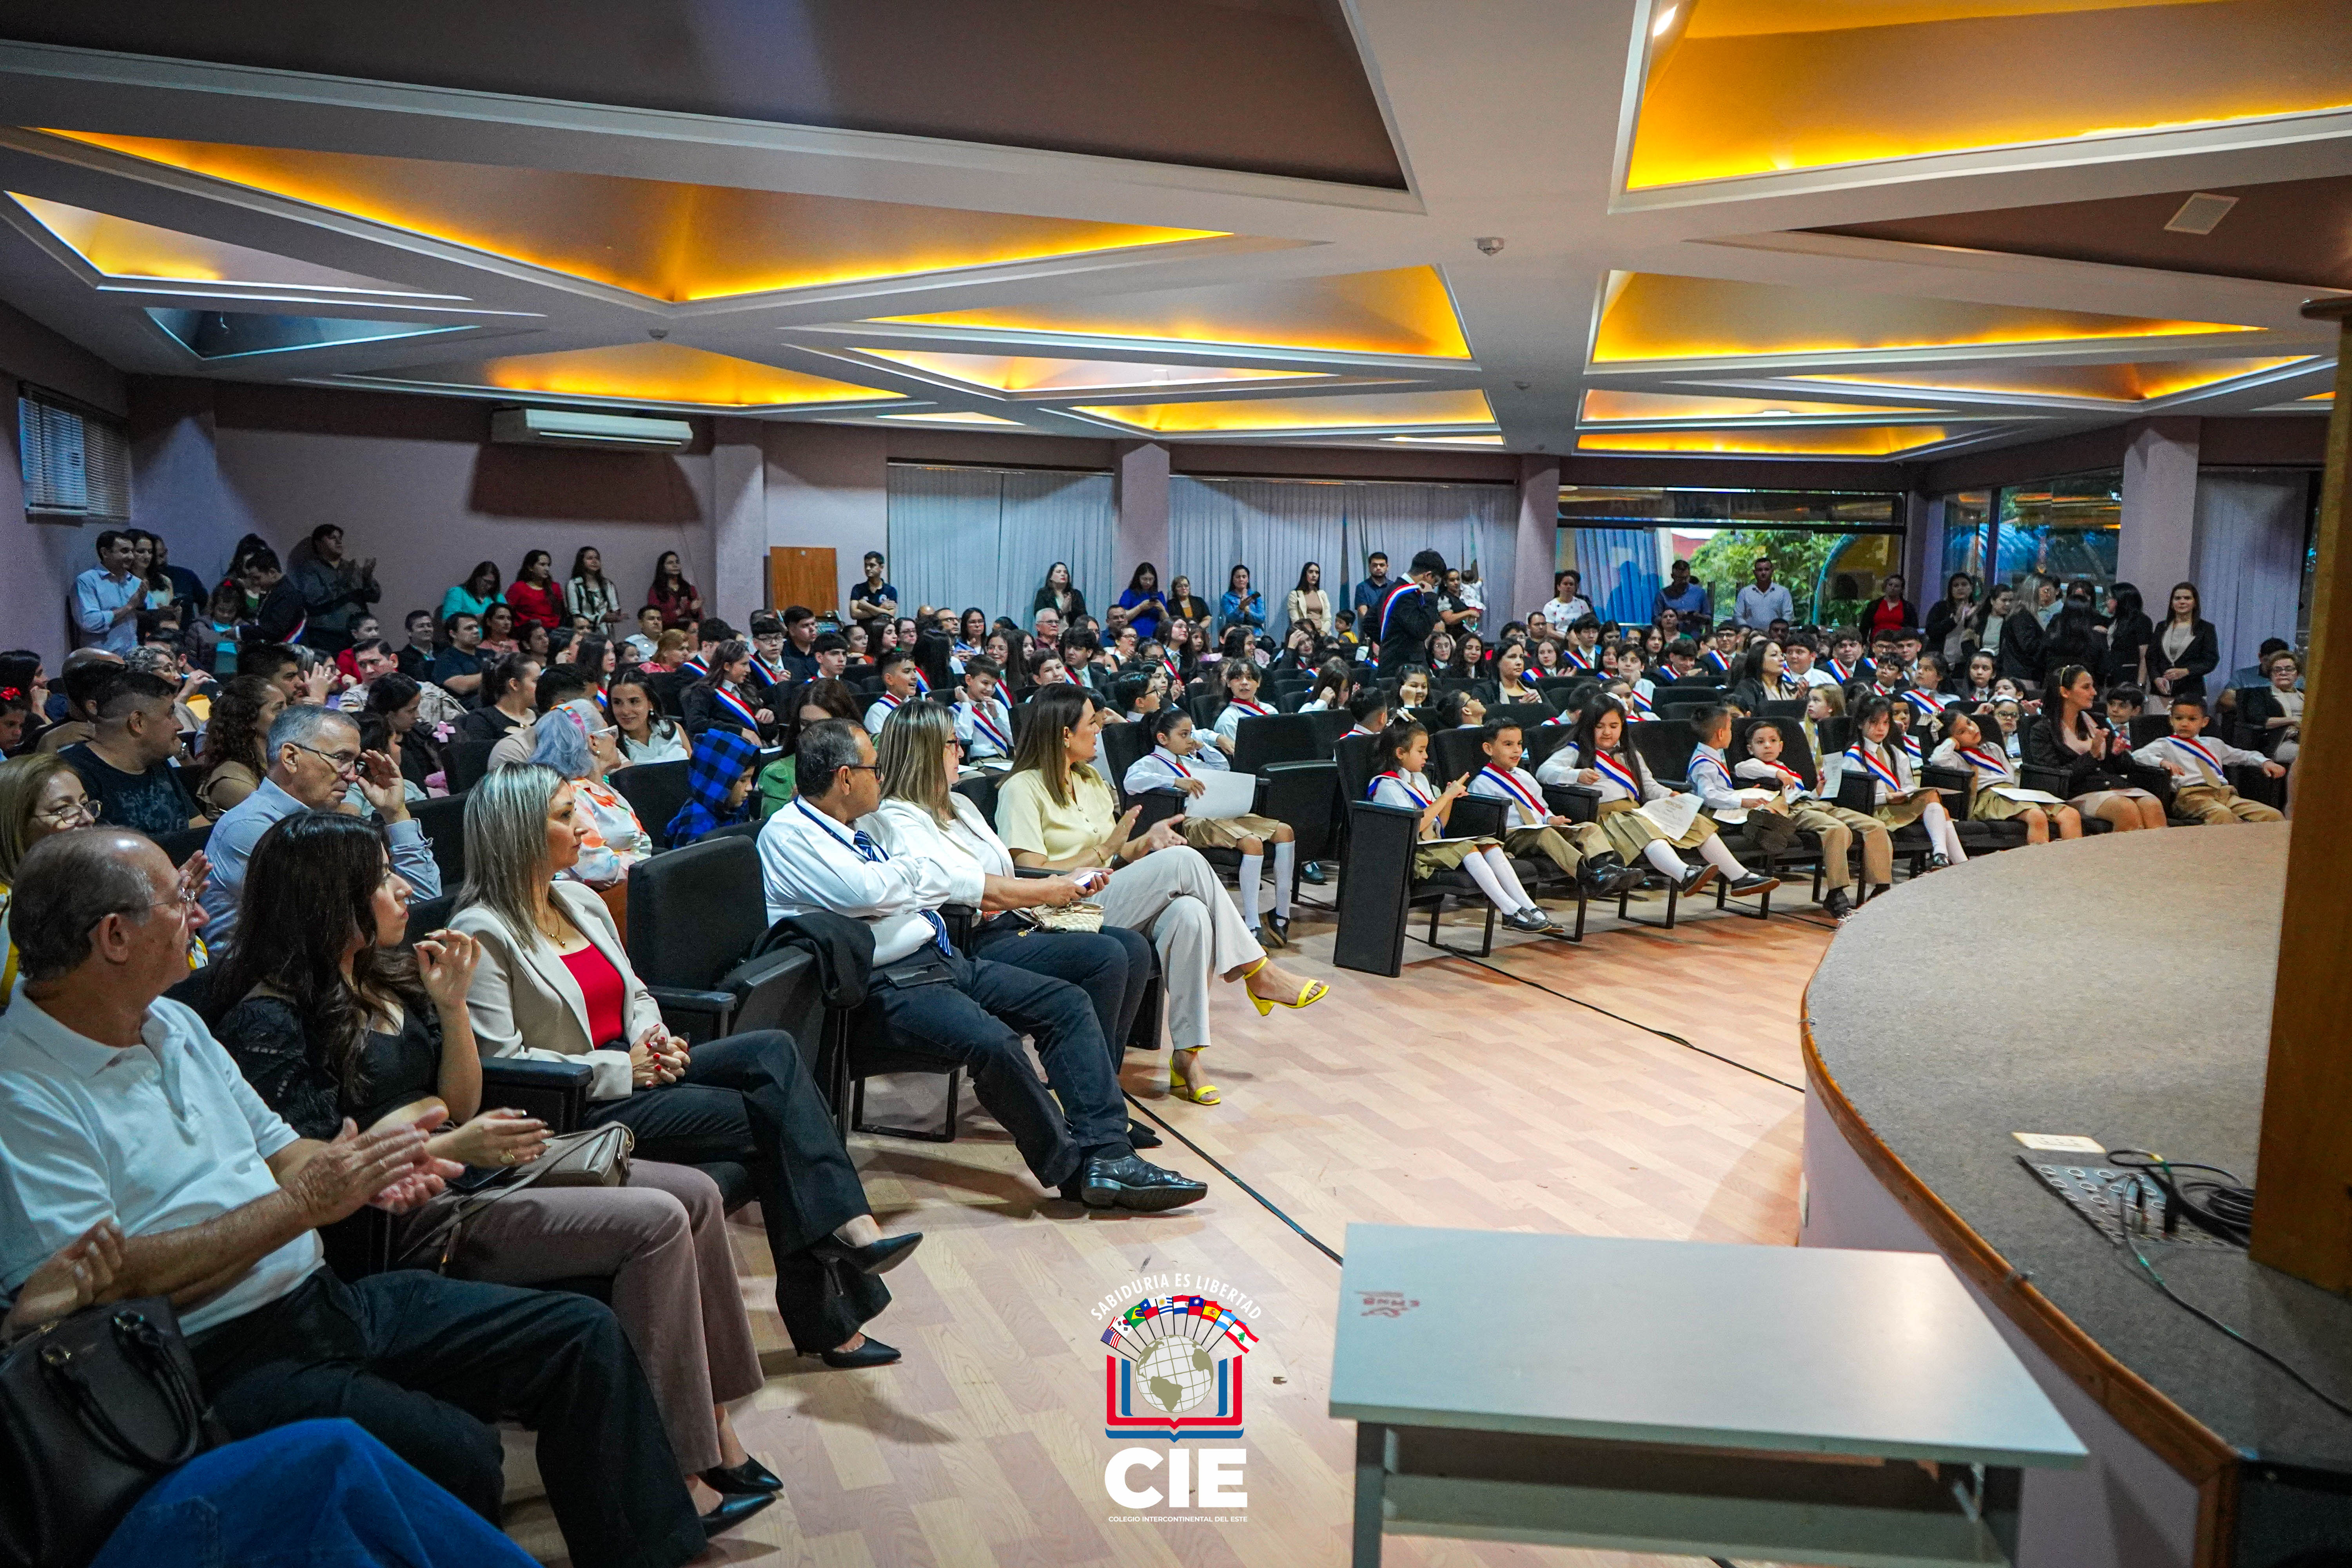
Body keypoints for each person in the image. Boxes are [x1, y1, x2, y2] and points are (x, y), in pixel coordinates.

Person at [0, 828, 716, 1568]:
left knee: (578, 1337)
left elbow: (288, 1152)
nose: (199, 914)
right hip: (207, 1361)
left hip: (318, 1298)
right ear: (114, 936)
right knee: (454, 1452)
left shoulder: (172, 1023)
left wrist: (371, 1167)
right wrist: (305, 1204)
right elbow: (107, 1285)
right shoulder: (22, 1091)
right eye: (179, 901)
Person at [209, 812, 775, 1517]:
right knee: (658, 1220)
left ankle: (713, 1424)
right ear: (331, 900)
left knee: (695, 1194)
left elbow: (455, 1103)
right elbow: (329, 1170)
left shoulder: (384, 973)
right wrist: (452, 1147)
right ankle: (677, 1467)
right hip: (406, 1218)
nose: (404, 892)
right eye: (382, 880)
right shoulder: (272, 1017)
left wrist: (450, 1012)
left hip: (467, 1173)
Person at [452, 764, 915, 1361]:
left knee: (773, 1053)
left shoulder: (576, 900)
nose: (584, 824)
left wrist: (657, 1036)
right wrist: (625, 1070)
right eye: (566, 815)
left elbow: (637, 992)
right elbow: (504, 1061)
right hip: (586, 1105)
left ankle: (850, 1241)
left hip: (642, 1069)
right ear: (518, 833)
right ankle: (839, 1284)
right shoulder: (483, 930)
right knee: (782, 1124)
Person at [768, 718, 1208, 1204]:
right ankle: (1072, 1168)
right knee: (995, 1041)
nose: (882, 775)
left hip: (938, 959)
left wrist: (918, 877)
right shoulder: (790, 835)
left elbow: (918, 884)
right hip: (884, 985)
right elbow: (870, 890)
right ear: (846, 777)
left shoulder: (847, 830)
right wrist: (925, 874)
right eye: (874, 768)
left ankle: (1109, 1153)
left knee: (1067, 1003)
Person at [995, 689, 1326, 1101]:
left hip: (1106, 893)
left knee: (1190, 913)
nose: (1101, 729)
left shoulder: (1091, 778)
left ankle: (1188, 1055)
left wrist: (1146, 840)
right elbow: (1032, 874)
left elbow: (1119, 850)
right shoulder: (1021, 789)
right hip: (1056, 909)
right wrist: (1105, 851)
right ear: (1065, 733)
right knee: (1185, 862)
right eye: (1092, 723)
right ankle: (1258, 972)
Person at [867, 702, 1159, 1118]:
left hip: (1012, 921)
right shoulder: (896, 819)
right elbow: (970, 890)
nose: (961, 752)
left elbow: (1006, 868)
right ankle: (1086, 1100)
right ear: (926, 749)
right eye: (953, 743)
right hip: (967, 940)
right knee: (1105, 956)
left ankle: (1101, 1090)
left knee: (1133, 947)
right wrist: (1048, 889)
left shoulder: (960, 805)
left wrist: (1066, 878)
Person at [201, 705, 439, 958]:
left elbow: (425, 904)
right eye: (341, 758)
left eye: (354, 763)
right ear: (291, 758)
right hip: (268, 983)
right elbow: (341, 928)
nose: (351, 776)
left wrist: (396, 813)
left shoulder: (327, 820)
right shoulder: (253, 830)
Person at [1539, 697, 1769, 896]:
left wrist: (1669, 795)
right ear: (1588, 726)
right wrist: (1576, 775)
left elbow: (1648, 786)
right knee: (1644, 827)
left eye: (1614, 726)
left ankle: (1740, 877)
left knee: (1694, 821)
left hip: (1635, 810)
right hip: (1607, 818)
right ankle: (1684, 873)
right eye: (1599, 726)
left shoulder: (1629, 753)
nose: (1607, 732)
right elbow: (1544, 772)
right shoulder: (1575, 751)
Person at [1122, 707, 1297, 951]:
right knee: (1252, 843)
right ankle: (1251, 923)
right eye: (1183, 735)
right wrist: (1174, 781)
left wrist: (1203, 747)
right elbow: (1131, 781)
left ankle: (1281, 913)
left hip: (1218, 813)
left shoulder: (1190, 760)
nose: (1189, 739)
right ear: (1163, 739)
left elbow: (1223, 768)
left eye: (1191, 733)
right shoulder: (1150, 763)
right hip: (1191, 821)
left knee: (1285, 831)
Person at [1369, 718, 1564, 934]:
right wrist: (1445, 798)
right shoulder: (1386, 785)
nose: (1426, 756)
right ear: (1400, 753)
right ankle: (1510, 911)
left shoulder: (1421, 780)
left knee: (1490, 844)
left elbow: (1439, 825)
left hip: (1434, 845)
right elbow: (1414, 826)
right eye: (1421, 751)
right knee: (1468, 848)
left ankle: (1530, 908)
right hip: (1412, 852)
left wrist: (1449, 799)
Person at [1466, 719, 1644, 897]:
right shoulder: (1482, 784)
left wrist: (1550, 818)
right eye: (1508, 744)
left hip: (1539, 828)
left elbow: (1540, 806)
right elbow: (1485, 826)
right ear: (1489, 749)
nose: (1516, 750)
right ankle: (1587, 877)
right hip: (1512, 836)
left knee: (1588, 828)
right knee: (1545, 834)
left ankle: (1605, 868)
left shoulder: (1525, 776)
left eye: (1519, 744)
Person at [1734, 717, 1892, 915]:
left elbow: (1806, 794)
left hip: (1815, 804)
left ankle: (1882, 887)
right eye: (1760, 742)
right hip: (1793, 811)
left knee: (1876, 826)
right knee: (1836, 829)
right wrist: (1778, 775)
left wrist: (1818, 790)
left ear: (1781, 746)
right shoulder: (1752, 766)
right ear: (1751, 749)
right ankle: (1836, 892)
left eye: (1773, 741)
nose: (1768, 745)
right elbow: (1741, 769)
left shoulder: (1791, 771)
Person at [0, 753, 103, 1006]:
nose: (88, 819)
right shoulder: (7, 909)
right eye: (63, 810)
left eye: (85, 804)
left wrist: (176, 919)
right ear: (15, 825)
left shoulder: (91, 882)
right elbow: (34, 999)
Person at [58, 670, 205, 837]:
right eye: (170, 714)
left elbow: (198, 825)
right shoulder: (71, 774)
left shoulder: (156, 761)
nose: (179, 726)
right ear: (138, 722)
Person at [2025, 666, 2170, 831]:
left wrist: (2117, 754)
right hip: (2075, 792)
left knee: (2153, 804)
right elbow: (2054, 778)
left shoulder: (2098, 721)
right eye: (2086, 687)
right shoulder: (2043, 730)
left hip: (2109, 785)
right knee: (2125, 809)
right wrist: (2092, 756)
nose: (2094, 693)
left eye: (2093, 686)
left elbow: (2126, 767)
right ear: (2065, 692)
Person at [1842, 695, 1969, 866]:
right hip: (1877, 811)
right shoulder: (1853, 757)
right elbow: (1856, 799)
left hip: (1899, 806)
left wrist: (1907, 793)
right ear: (1860, 724)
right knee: (1935, 802)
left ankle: (1943, 856)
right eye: (1875, 723)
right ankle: (1955, 861)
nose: (1881, 729)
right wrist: (1887, 798)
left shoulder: (1895, 754)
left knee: (1934, 804)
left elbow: (1908, 784)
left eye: (1886, 723)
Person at [1931, 708, 2080, 846]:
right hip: (1988, 798)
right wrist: (1950, 742)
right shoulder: (1958, 759)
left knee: (2071, 815)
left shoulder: (1993, 748)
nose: (1972, 729)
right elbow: (1938, 760)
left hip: (2012, 793)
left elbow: (2009, 776)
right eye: (1962, 732)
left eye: (1969, 723)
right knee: (2036, 816)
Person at [2131, 695, 2286, 824]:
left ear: (2204, 722)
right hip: (2191, 796)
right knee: (2222, 815)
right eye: (2179, 718)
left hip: (2224, 794)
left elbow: (2243, 756)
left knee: (2273, 816)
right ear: (2171, 720)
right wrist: (2162, 762)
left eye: (2192, 719)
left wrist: (2266, 762)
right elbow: (2137, 756)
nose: (2184, 724)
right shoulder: (2165, 744)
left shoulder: (2214, 744)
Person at [196, 673, 289, 818]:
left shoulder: (277, 761)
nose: (288, 714)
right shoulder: (229, 780)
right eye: (278, 708)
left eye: (287, 705)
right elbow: (281, 822)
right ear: (249, 718)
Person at [288, 526, 380, 653]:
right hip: (329, 637)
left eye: (340, 538)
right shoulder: (309, 570)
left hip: (358, 636)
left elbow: (375, 597)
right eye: (332, 538)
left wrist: (367, 577)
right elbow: (315, 599)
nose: (339, 542)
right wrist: (344, 580)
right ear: (319, 544)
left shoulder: (350, 567)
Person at [666, 727, 760, 847]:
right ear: (721, 781)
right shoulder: (696, 822)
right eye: (743, 780)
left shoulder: (736, 809)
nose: (750, 788)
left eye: (751, 779)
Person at [1376, 550, 1460, 673]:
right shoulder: (1406, 594)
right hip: (1403, 666)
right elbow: (1422, 630)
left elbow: (1370, 621)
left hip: (1395, 661)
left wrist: (1388, 642)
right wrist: (1431, 598)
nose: (1434, 587)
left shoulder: (1392, 588)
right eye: (1435, 583)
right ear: (1428, 576)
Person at [72, 529, 148, 656]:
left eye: (132, 551)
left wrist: (142, 607)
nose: (131, 557)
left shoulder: (136, 582)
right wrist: (129, 607)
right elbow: (89, 622)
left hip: (132, 657)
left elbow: (145, 617)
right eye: (124, 551)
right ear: (105, 553)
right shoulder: (87, 581)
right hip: (100, 660)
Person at [681, 639, 772, 741]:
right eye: (744, 664)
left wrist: (769, 721)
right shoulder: (703, 692)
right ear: (727, 666)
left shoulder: (748, 689)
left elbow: (767, 736)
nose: (749, 670)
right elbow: (697, 723)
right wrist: (740, 731)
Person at [2148, 581, 2219, 705]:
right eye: (2177, 598)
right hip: (2161, 692)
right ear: (2172, 604)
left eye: (2187, 598)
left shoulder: (2206, 629)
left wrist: (2186, 671)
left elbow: (2211, 660)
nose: (2182, 602)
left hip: (2191, 692)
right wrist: (2156, 678)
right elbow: (2151, 657)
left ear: (2195, 603)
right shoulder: (2161, 627)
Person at [608, 666, 689, 764]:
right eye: (617, 703)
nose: (625, 711)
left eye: (634, 702)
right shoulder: (610, 744)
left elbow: (695, 771)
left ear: (651, 703)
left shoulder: (674, 729)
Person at [2241, 650, 2303, 764]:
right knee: (2308, 753)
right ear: (2270, 675)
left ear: (2298, 675)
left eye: (2289, 669)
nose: (2283, 673)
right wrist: (2293, 720)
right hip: (2280, 742)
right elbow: (2259, 720)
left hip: (2306, 739)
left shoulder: (2306, 695)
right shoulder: (2261, 694)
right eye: (2277, 670)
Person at [953, 654, 1015, 762]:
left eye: (994, 685)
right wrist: (967, 705)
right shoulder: (956, 710)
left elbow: (1013, 741)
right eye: (985, 683)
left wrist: (997, 718)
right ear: (969, 680)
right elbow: (964, 740)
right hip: (979, 762)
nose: (990, 689)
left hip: (1005, 759)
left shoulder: (998, 706)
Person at [863, 649, 924, 734]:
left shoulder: (919, 707)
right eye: (907, 672)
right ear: (889, 679)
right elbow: (882, 746)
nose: (915, 677)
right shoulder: (877, 712)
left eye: (915, 671)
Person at [1734, 555, 1795, 633]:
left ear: (1772, 571)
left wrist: (1777, 631)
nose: (1763, 573)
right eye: (1760, 570)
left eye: (1767, 569)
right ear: (1755, 572)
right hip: (1751, 638)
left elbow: (1789, 615)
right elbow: (1738, 616)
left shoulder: (1783, 592)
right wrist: (1747, 631)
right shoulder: (1745, 593)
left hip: (1777, 638)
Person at [646, 552, 702, 630]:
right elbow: (653, 618)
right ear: (663, 568)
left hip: (688, 634)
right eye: (670, 563)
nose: (675, 565)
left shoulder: (689, 589)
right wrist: (678, 612)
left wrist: (694, 611)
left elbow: (700, 619)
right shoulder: (656, 590)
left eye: (677, 562)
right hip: (666, 635)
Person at [846, 551, 897, 633]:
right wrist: (882, 609)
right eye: (866, 565)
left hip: (883, 634)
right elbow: (854, 614)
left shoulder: (891, 590)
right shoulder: (858, 589)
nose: (868, 569)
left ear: (881, 567)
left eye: (872, 566)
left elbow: (891, 614)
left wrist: (866, 606)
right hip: (864, 633)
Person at [1116, 563, 1166, 642]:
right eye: (1145, 579)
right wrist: (1141, 607)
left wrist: (1162, 609)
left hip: (1155, 635)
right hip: (1135, 634)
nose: (1148, 582)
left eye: (1151, 579)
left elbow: (1167, 622)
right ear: (1138, 579)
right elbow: (1124, 617)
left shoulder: (1159, 595)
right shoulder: (1129, 594)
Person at [1860, 573, 1916, 638]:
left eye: (1896, 586)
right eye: (1890, 585)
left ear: (1902, 590)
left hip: (1899, 644)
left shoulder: (1908, 607)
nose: (1893, 588)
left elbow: (1913, 630)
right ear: (1885, 587)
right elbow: (1864, 628)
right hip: (1877, 643)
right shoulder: (1874, 605)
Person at [1285, 561, 1332, 638]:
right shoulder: (1295, 595)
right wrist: (1309, 634)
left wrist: (1322, 634)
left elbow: (1328, 619)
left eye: (1317, 573)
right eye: (1311, 572)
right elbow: (1296, 621)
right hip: (1304, 634)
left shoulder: (1322, 594)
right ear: (1305, 574)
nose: (1314, 575)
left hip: (1323, 635)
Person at [1217, 564, 1263, 638]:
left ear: (1248, 580)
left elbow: (1262, 618)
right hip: (1236, 633)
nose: (1241, 579)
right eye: (1238, 577)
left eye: (1244, 577)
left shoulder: (1256, 596)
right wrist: (1240, 609)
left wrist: (1248, 613)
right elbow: (1231, 619)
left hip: (1255, 633)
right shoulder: (1227, 597)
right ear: (1233, 580)